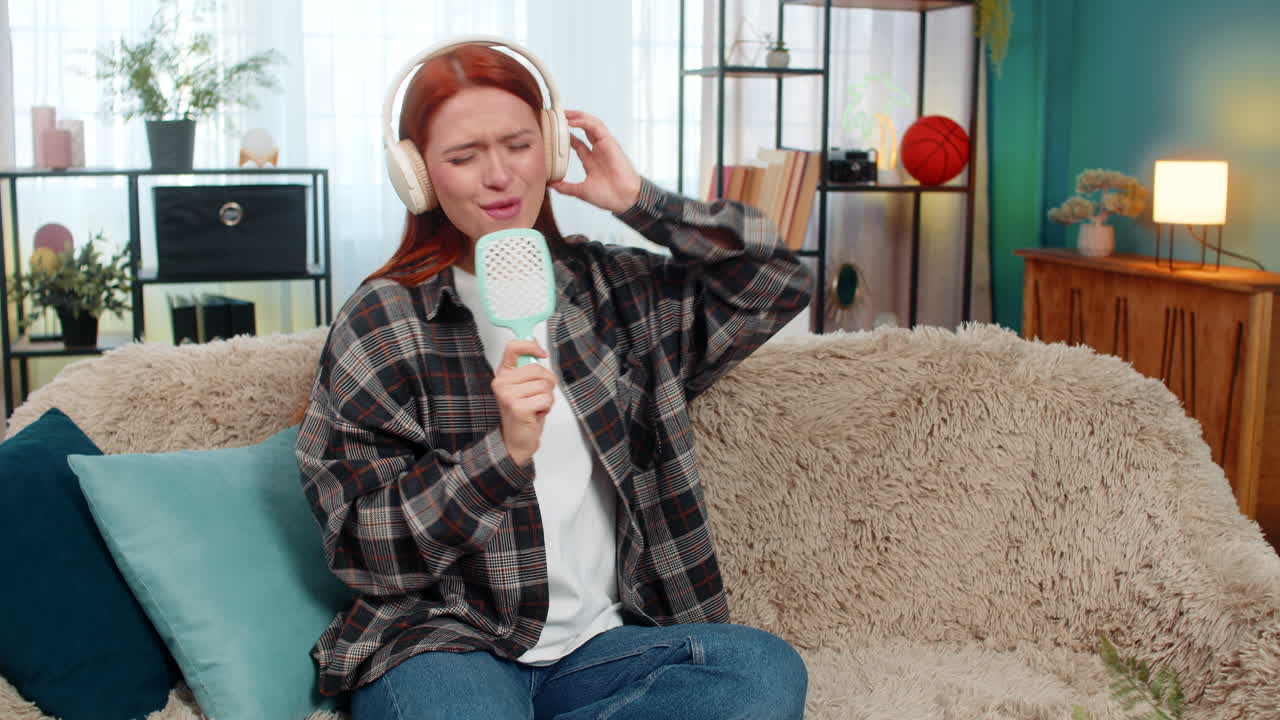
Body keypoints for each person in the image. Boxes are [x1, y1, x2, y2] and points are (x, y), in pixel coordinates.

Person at [296, 36, 813, 720]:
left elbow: (775, 282)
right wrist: (500, 455)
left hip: (601, 652)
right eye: (463, 156)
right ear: (416, 176)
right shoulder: (382, 320)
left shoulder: (615, 290)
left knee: (760, 671)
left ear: (551, 145)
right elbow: (362, 551)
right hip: (445, 645)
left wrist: (638, 200)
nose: (499, 176)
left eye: (517, 144)